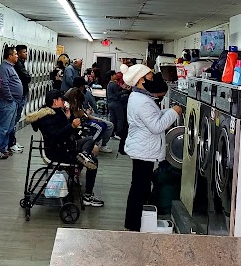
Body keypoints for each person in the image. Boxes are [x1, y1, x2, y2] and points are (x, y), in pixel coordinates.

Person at [123, 64, 182, 232]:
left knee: (139, 187)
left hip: (142, 148)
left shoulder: (139, 96)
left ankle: (134, 224)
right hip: (144, 150)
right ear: (140, 80)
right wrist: (174, 112)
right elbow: (156, 126)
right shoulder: (142, 101)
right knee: (139, 189)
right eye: (149, 77)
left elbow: (153, 118)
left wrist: (168, 111)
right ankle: (133, 226)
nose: (152, 79)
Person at [27, 90, 104, 206]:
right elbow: (56, 137)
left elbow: (65, 132)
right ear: (55, 101)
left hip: (65, 146)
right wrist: (71, 125)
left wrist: (68, 118)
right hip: (58, 152)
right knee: (94, 161)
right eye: (61, 100)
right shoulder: (48, 117)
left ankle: (84, 155)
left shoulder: (56, 113)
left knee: (90, 140)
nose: (64, 102)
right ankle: (87, 196)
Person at [64, 77, 114, 153]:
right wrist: (94, 116)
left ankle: (97, 143)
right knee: (103, 126)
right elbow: (91, 106)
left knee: (104, 124)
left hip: (84, 116)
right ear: (82, 86)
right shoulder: (78, 95)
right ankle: (96, 144)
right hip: (83, 118)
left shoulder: (71, 94)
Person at [0, 46, 23, 159]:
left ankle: (3, 149)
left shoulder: (10, 67)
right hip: (7, 102)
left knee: (8, 128)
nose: (17, 56)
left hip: (13, 102)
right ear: (10, 56)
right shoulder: (4, 68)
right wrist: (10, 98)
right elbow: (3, 85)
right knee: (3, 128)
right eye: (15, 54)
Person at [8, 44, 31, 153]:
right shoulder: (17, 65)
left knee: (14, 121)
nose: (25, 54)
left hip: (21, 94)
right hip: (18, 97)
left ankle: (13, 141)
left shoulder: (20, 63)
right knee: (13, 121)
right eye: (23, 52)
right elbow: (26, 77)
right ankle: (11, 143)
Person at [106, 69, 127, 138]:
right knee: (120, 118)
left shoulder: (109, 84)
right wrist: (125, 91)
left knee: (113, 119)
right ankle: (118, 133)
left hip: (110, 103)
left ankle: (111, 133)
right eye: (114, 74)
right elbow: (117, 94)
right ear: (111, 76)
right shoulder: (114, 84)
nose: (116, 75)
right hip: (116, 103)